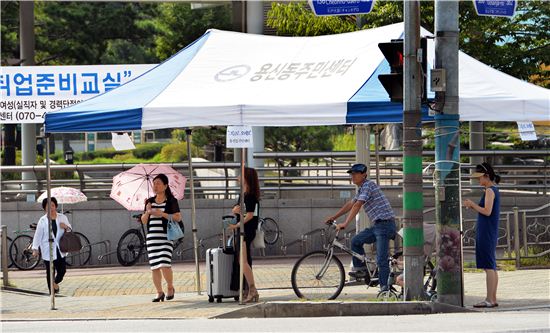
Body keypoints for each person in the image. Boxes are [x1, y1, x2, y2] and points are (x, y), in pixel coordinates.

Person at [325, 163, 396, 292]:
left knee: (381, 259)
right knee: (356, 241)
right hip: (378, 225)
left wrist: (345, 224)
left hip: (385, 225)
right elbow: (350, 204)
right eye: (352, 174)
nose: (353, 176)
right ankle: (362, 270)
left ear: (364, 175)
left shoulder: (368, 185)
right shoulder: (362, 189)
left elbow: (357, 205)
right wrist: (333, 217)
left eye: (356, 173)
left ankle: (385, 289)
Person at [464, 162, 501, 308]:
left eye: (480, 178)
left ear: (486, 176)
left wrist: (472, 204)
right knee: (490, 265)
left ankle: (489, 299)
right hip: (488, 230)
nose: (478, 180)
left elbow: (487, 211)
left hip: (486, 231)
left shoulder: (490, 191)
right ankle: (492, 298)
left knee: (488, 266)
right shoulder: (492, 190)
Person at [141, 174, 183, 302]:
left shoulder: (171, 201)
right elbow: (143, 221)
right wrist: (148, 211)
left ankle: (170, 287)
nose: (156, 186)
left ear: (165, 186)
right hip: (152, 238)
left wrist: (162, 214)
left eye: (158, 183)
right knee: (154, 266)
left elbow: (178, 217)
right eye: (154, 183)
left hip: (166, 237)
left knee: (165, 263)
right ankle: (159, 292)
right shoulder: (149, 202)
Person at [228, 167, 260, 303]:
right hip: (245, 230)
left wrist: (237, 224)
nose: (238, 177)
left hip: (246, 231)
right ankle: (250, 290)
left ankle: (252, 290)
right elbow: (245, 213)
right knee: (243, 261)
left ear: (246, 178)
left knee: (243, 261)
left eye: (240, 175)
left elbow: (251, 215)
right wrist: (236, 211)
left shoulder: (249, 195)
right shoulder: (245, 194)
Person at [32, 197, 71, 294]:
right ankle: (52, 292)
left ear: (56, 206)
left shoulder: (62, 217)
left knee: (62, 271)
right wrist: (35, 248)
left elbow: (70, 229)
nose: (51, 208)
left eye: (53, 206)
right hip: (47, 248)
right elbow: (38, 235)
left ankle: (54, 283)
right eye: (48, 206)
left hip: (60, 248)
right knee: (50, 272)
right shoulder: (42, 220)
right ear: (44, 208)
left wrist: (65, 227)